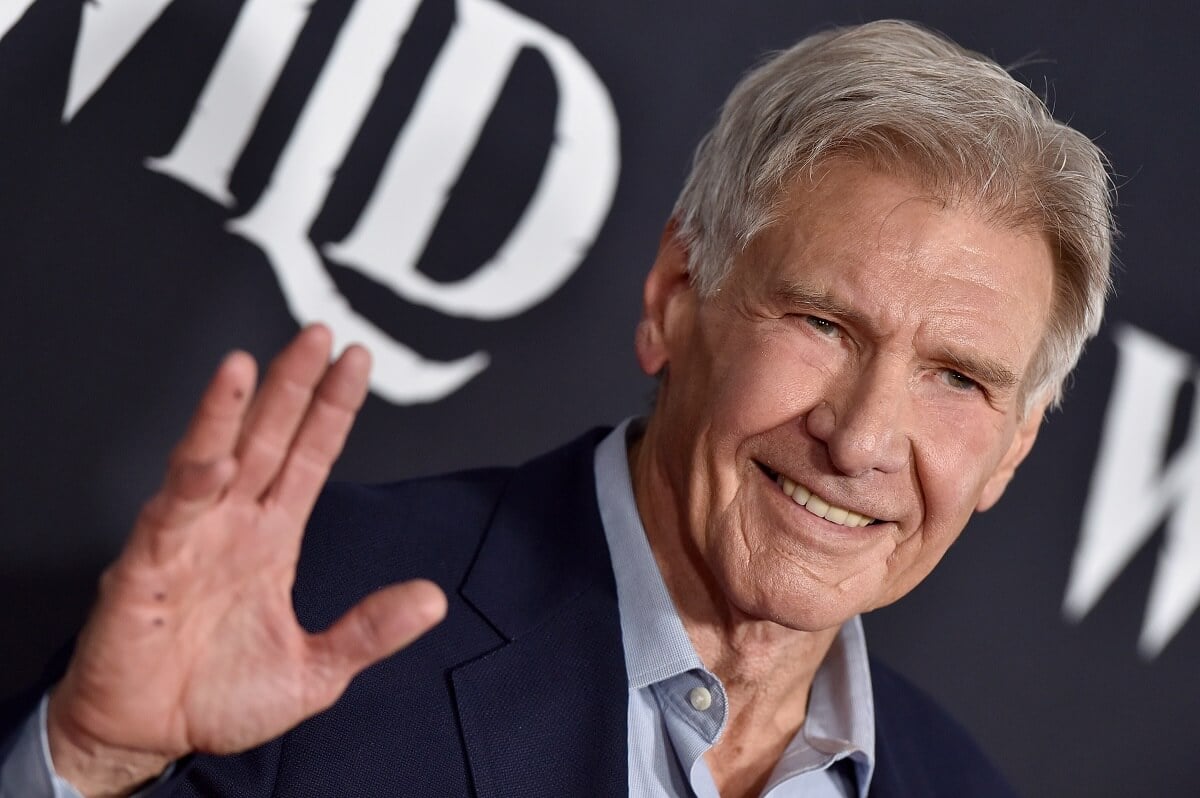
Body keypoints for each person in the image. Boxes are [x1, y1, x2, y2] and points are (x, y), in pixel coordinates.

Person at [0, 18, 1113, 798]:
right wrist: (91, 769)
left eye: (958, 379)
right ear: (677, 299)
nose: (863, 438)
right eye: (822, 323)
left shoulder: (965, 787)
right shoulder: (314, 611)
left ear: (1014, 445)